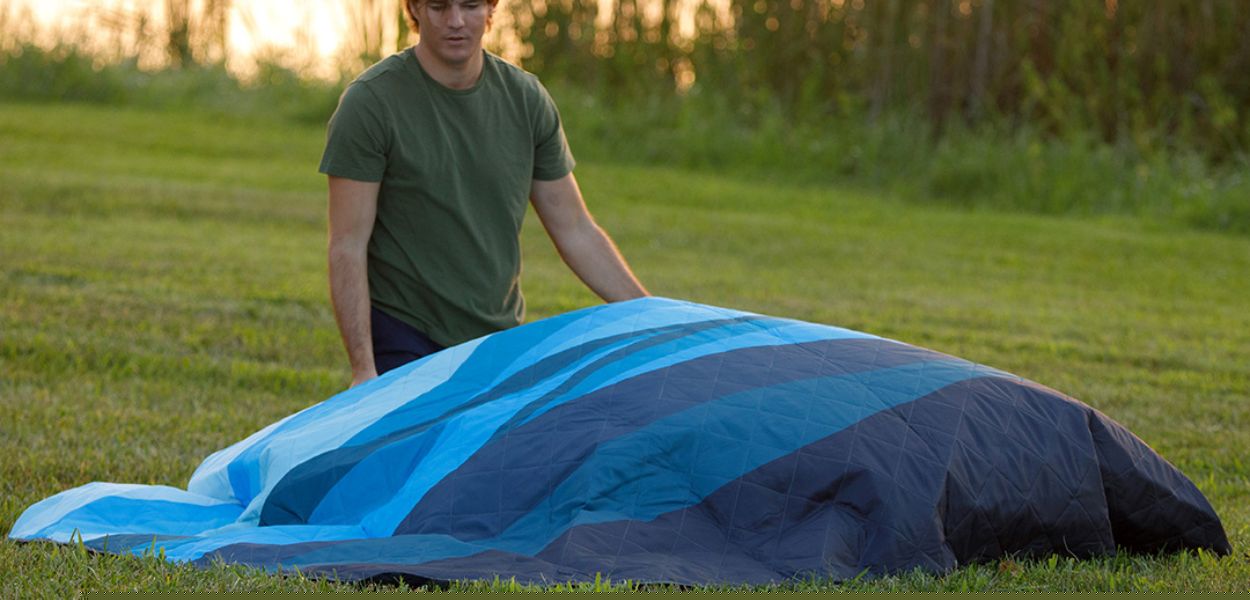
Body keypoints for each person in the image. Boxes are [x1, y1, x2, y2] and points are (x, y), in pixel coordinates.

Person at [319, 0, 649, 387]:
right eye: (439, 7)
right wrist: (363, 368)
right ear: (415, 9)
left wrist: (652, 315)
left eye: (471, 5)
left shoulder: (526, 100)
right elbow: (347, 245)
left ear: (492, 8)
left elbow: (575, 229)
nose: (455, 21)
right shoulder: (370, 103)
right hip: (404, 334)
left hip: (497, 339)